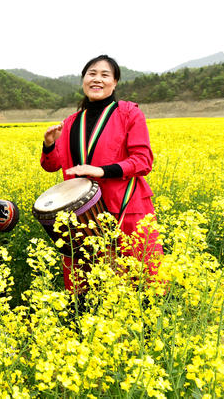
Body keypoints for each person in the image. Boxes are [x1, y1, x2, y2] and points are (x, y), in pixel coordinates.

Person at [40, 55, 163, 292]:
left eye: (105, 75)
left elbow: (143, 161)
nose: (97, 79)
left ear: (114, 83)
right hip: (82, 213)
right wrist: (49, 144)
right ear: (83, 80)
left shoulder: (129, 113)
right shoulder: (71, 121)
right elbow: (52, 165)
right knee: (86, 288)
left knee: (138, 285)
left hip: (124, 207)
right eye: (92, 74)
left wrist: (100, 171)